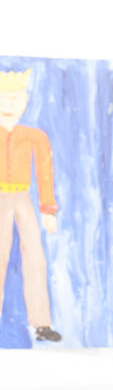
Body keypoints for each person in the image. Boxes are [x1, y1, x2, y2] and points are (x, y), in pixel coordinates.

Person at [0, 68, 62, 343]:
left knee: (35, 259)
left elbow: (44, 173)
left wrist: (48, 209)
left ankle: (41, 323)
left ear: (25, 100)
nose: (10, 105)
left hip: (23, 198)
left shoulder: (34, 136)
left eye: (16, 98)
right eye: (4, 97)